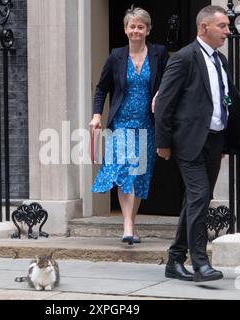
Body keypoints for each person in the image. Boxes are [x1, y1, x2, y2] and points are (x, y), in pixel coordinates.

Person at [154, 5, 240, 282]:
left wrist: (227, 140)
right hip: (189, 142)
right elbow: (165, 104)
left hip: (214, 141)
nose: (228, 31)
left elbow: (222, 101)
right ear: (204, 27)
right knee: (198, 197)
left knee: (197, 200)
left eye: (228, 26)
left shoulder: (221, 60)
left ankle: (174, 259)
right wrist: (163, 142)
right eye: (223, 26)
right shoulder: (184, 58)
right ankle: (200, 262)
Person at [89, 6, 168, 245]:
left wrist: (160, 94)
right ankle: (127, 225)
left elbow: (168, 81)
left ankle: (131, 224)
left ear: (148, 30)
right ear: (125, 29)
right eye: (132, 26)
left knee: (139, 174)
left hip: (147, 123)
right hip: (122, 122)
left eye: (140, 27)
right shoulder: (116, 56)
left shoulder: (159, 53)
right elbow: (102, 87)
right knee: (125, 168)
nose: (136, 30)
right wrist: (96, 115)